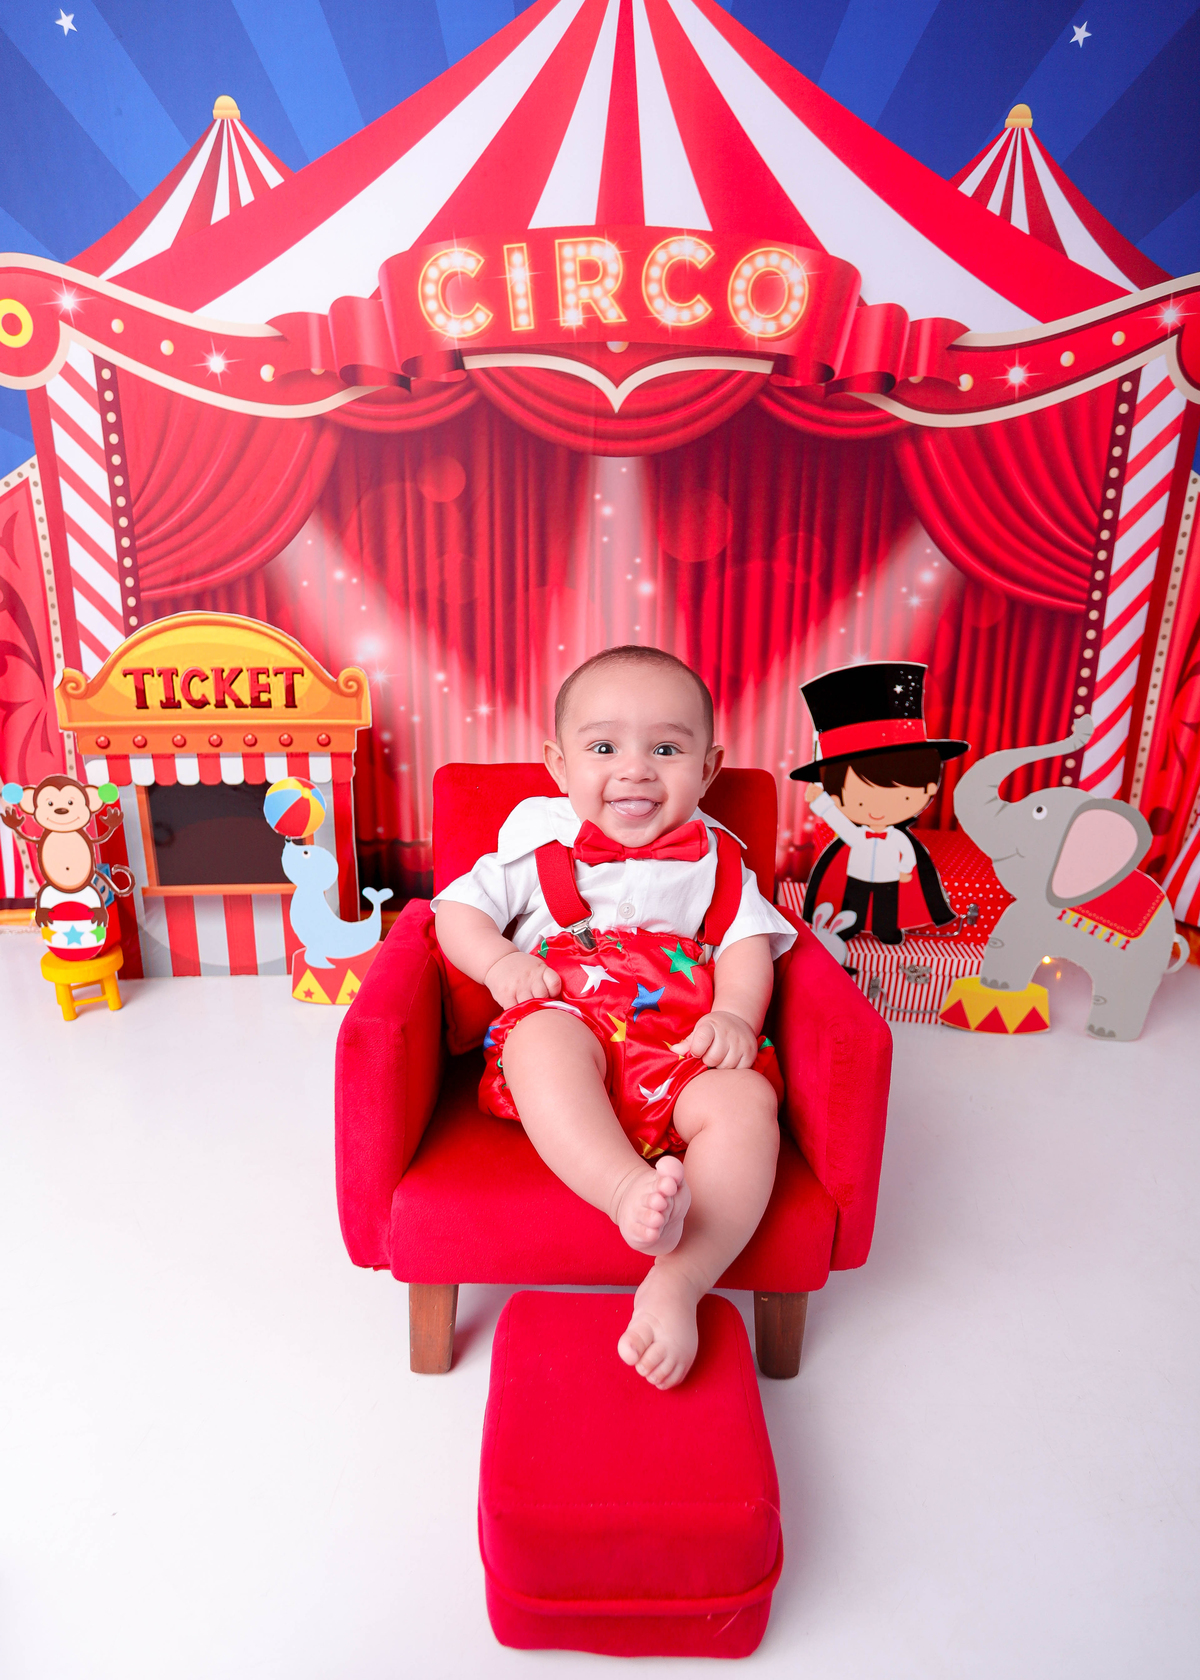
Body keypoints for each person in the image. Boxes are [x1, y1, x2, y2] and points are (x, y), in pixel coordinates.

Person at [434, 646, 795, 1390]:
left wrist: (733, 1013)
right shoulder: (536, 845)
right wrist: (500, 966)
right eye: (604, 749)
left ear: (708, 768)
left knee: (746, 1101)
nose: (636, 771)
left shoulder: (721, 862)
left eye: (665, 749)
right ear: (559, 765)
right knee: (540, 1038)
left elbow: (746, 945)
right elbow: (456, 912)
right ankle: (625, 1187)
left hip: (681, 1051)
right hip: (574, 1032)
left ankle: (680, 1279)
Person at [791, 662, 967, 945]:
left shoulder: (897, 838)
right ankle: (849, 926)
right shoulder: (856, 835)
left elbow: (907, 855)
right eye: (859, 800)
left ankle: (886, 929)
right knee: (854, 901)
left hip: (888, 877)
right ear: (836, 794)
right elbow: (838, 822)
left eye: (902, 795)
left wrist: (905, 870)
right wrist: (821, 802)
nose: (876, 809)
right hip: (857, 873)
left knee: (887, 905)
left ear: (929, 788)